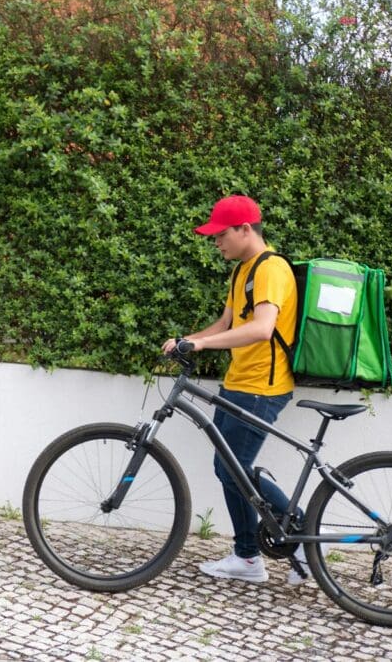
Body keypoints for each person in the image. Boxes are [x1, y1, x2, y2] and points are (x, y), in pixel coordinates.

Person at [161, 194, 311, 586]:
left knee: (235, 468)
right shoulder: (241, 271)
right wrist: (187, 340)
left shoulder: (271, 269)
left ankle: (306, 542)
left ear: (245, 229)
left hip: (264, 386)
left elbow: (263, 327)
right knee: (228, 469)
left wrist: (205, 345)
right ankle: (247, 558)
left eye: (220, 234)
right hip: (238, 382)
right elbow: (226, 322)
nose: (216, 242)